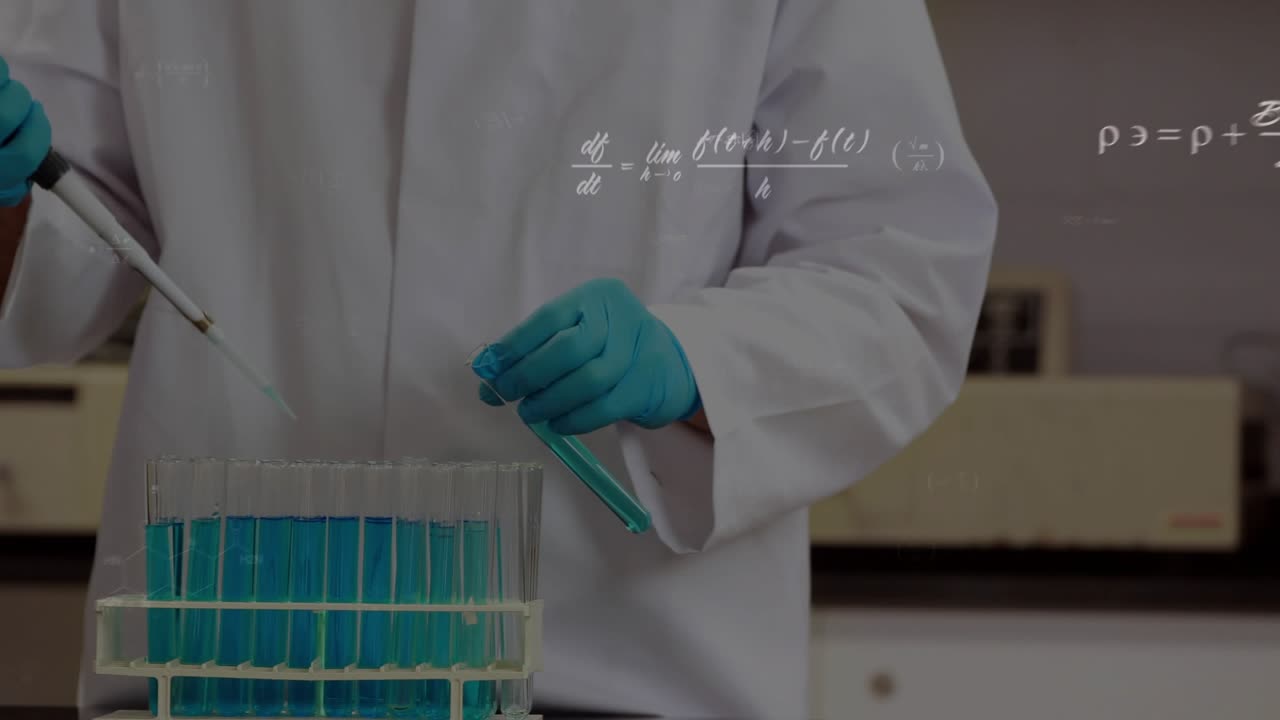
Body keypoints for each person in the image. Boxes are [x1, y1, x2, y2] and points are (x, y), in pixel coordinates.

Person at [0, 1, 996, 717]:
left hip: (611, 668)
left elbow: (897, 270)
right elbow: (63, 225)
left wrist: (696, 365)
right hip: (224, 668)